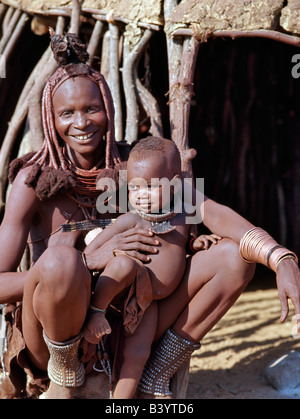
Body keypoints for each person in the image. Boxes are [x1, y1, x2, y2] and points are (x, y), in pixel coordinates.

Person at [0, 31, 298, 400]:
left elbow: (205, 207)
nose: (82, 122)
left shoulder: (140, 167)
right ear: (51, 118)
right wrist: (85, 261)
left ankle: (151, 374)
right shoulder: (33, 180)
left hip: (127, 321)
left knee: (233, 258)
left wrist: (279, 256)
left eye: (92, 108)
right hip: (53, 328)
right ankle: (65, 378)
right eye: (67, 113)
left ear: (108, 107)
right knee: (62, 261)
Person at [82, 136, 221, 398]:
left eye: (151, 187)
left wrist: (196, 243)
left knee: (137, 354)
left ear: (174, 186)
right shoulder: (129, 220)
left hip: (149, 304)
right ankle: (95, 312)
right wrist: (113, 250)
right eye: (135, 188)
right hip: (125, 295)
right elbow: (89, 254)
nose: (142, 195)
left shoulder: (183, 216)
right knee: (123, 264)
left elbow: (181, 246)